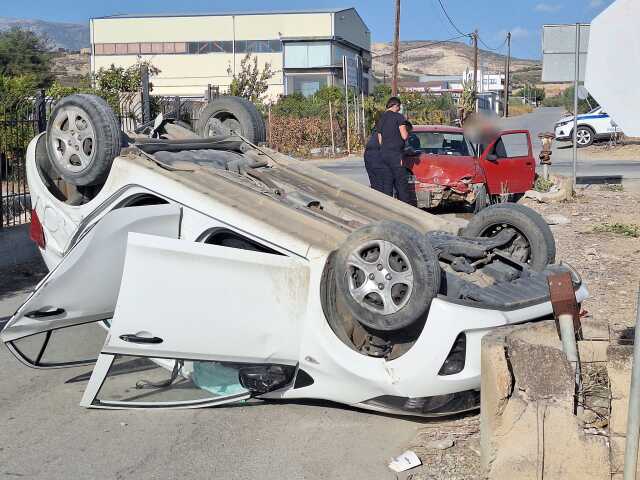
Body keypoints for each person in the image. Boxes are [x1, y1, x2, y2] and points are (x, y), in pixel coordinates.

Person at [376, 97, 416, 206]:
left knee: (387, 183)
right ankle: (405, 208)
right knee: (401, 183)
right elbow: (404, 136)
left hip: (384, 155)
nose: (399, 109)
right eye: (399, 106)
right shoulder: (399, 117)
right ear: (396, 105)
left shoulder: (381, 118)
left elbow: (380, 140)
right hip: (396, 155)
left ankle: (387, 207)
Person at [363, 127, 387, 193]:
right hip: (376, 159)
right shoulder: (384, 133)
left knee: (375, 185)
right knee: (381, 186)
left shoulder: (373, 134)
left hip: (369, 158)